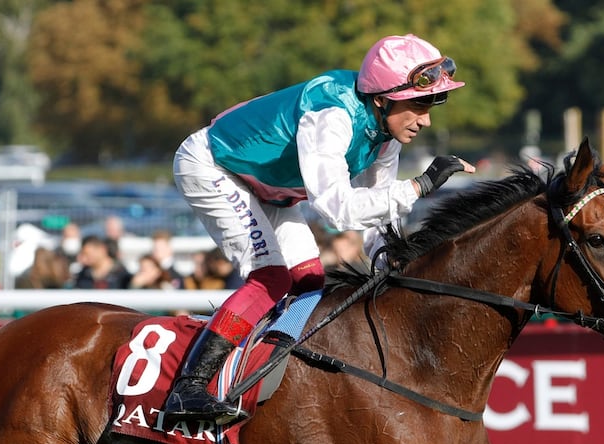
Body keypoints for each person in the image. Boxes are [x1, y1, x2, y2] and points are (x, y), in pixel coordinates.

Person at [165, 34, 473, 423]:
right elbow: (338, 209)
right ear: (383, 97)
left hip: (267, 188)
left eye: (432, 103)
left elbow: (378, 213)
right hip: (212, 166)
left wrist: (391, 261)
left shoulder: (385, 134)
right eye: (419, 103)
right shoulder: (333, 112)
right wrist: (421, 185)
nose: (426, 119)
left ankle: (271, 365)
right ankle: (188, 387)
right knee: (271, 277)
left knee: (310, 280)